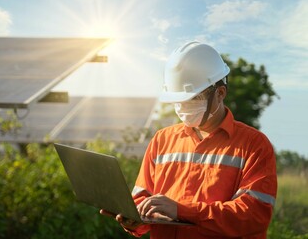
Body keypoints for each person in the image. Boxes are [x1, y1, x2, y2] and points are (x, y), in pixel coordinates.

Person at [101, 41, 277, 238]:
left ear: (220, 93)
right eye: (178, 100)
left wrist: (182, 210)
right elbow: (144, 200)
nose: (183, 107)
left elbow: (253, 216)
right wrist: (133, 219)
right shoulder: (162, 140)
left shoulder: (254, 145)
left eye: (193, 98)